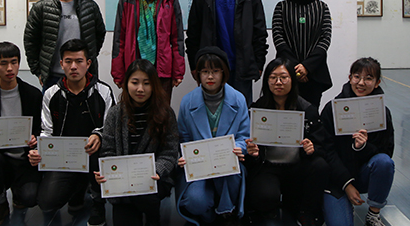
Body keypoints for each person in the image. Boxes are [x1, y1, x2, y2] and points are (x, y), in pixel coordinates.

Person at [28, 39, 115, 226]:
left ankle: (98, 203)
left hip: (95, 156)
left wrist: (98, 134)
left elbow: (110, 128)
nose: (73, 66)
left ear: (88, 63)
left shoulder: (104, 91)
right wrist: (39, 151)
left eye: (79, 61)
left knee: (98, 149)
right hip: (65, 160)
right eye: (68, 61)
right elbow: (47, 131)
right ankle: (78, 188)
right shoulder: (50, 94)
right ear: (61, 64)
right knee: (46, 202)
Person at [244, 58, 329, 226]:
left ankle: (305, 212)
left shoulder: (307, 109)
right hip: (268, 167)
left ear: (293, 80)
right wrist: (253, 152)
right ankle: (269, 210)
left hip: (297, 165)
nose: (278, 82)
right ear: (266, 81)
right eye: (273, 77)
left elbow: (322, 145)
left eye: (284, 77)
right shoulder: (257, 109)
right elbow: (249, 151)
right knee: (265, 196)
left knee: (320, 166)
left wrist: (312, 148)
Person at [94, 59, 179, 226]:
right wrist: (107, 172)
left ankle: (152, 215)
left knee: (147, 199)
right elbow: (108, 150)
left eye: (147, 83)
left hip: (154, 179)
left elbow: (170, 152)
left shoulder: (166, 113)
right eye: (135, 82)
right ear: (126, 84)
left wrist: (157, 170)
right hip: (123, 185)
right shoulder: (115, 114)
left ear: (154, 85)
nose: (140, 89)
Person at [186, 0, 268, 106]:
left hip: (241, 67)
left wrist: (258, 64)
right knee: (211, 114)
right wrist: (195, 65)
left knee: (241, 112)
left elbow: (259, 33)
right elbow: (193, 33)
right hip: (210, 68)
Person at [176, 46, 249, 226]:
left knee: (233, 176)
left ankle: (226, 212)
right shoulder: (187, 102)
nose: (210, 77)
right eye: (205, 72)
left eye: (215, 71)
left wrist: (239, 148)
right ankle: (208, 216)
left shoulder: (239, 99)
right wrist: (184, 156)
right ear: (198, 74)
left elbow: (243, 135)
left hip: (228, 165)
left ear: (224, 73)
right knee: (195, 201)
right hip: (199, 166)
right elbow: (184, 139)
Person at [0, 42, 43, 226]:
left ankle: (19, 191)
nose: (9, 68)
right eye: (3, 63)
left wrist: (35, 138)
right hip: (0, 159)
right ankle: (0, 203)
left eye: (14, 62)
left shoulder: (33, 95)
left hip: (26, 159)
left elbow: (41, 128)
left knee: (30, 198)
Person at [321, 57, 395, 226]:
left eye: (368, 78)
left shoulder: (382, 113)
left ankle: (373, 214)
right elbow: (326, 151)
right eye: (357, 77)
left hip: (363, 174)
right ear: (350, 78)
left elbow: (386, 151)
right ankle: (344, 203)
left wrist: (363, 147)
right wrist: (346, 184)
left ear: (377, 83)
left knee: (384, 162)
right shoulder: (332, 109)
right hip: (336, 179)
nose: (361, 83)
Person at [111, 0, 185, 102]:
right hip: (133, 68)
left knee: (160, 112)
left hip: (162, 70)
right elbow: (119, 38)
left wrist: (178, 71)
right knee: (133, 113)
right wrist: (118, 72)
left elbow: (177, 38)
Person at [24, 0, 106, 93]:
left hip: (84, 76)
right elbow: (30, 41)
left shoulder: (90, 7)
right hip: (52, 77)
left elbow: (99, 35)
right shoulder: (41, 8)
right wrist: (38, 71)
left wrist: (89, 58)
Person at [272, 0, 332, 108]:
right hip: (286, 72)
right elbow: (278, 38)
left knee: (311, 113)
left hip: (314, 73)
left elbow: (325, 39)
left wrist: (307, 67)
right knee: (286, 113)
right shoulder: (281, 7)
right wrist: (296, 69)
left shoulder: (322, 7)